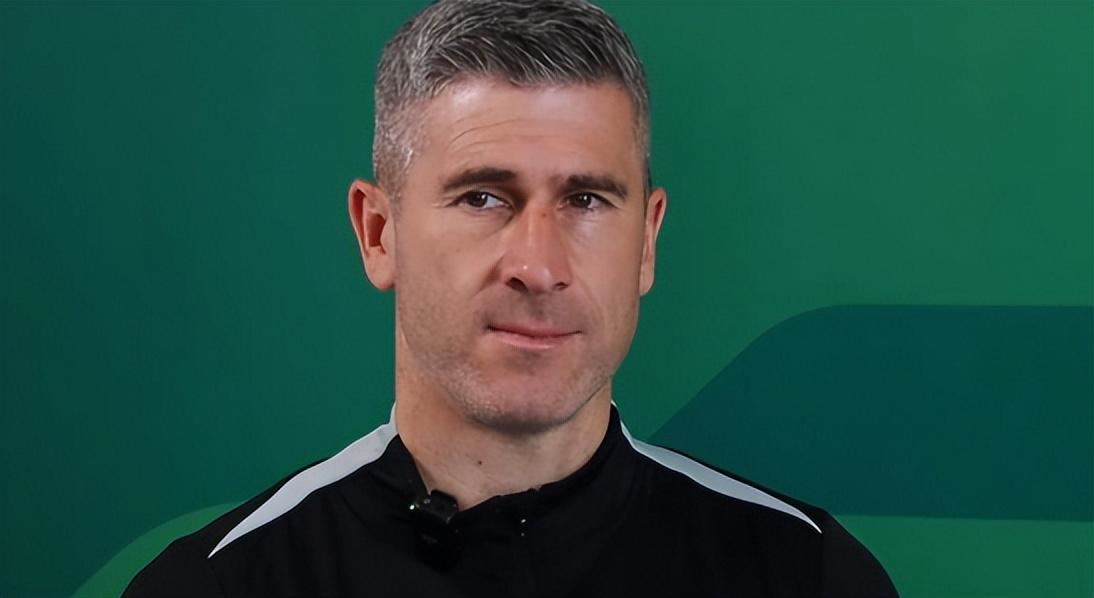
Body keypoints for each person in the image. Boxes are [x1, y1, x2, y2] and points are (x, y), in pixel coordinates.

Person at [125, 1, 897, 596]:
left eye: (586, 200)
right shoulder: (217, 586)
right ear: (379, 233)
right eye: (483, 197)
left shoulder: (808, 575)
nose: (538, 265)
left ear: (647, 242)